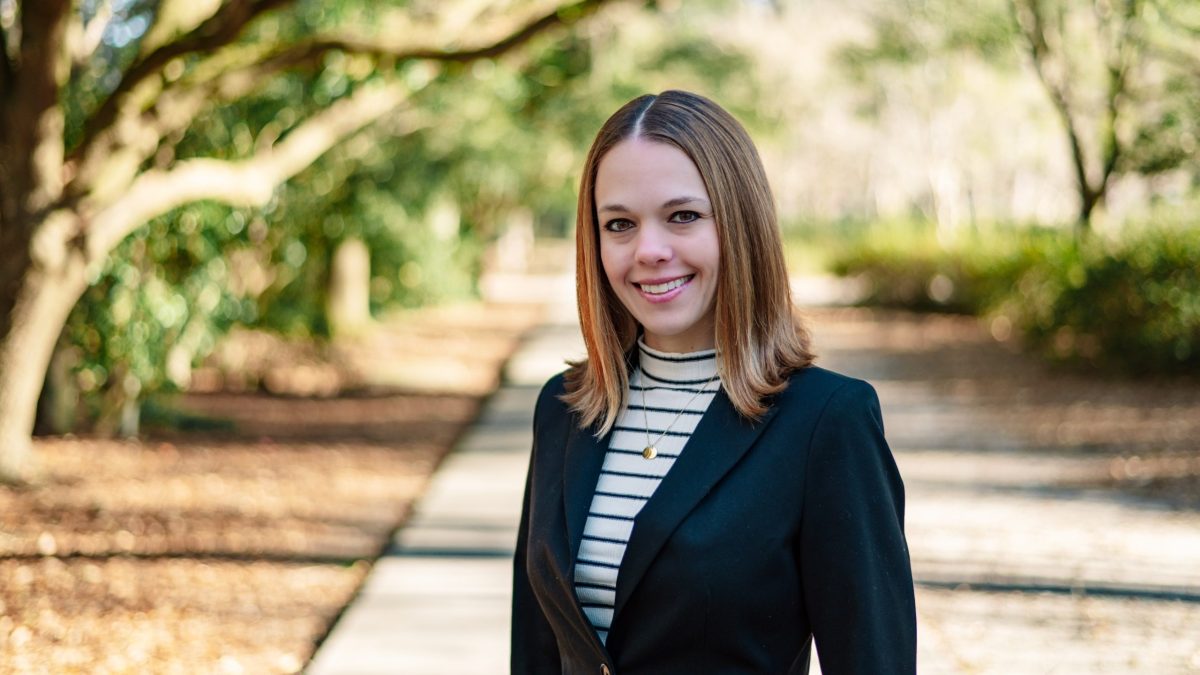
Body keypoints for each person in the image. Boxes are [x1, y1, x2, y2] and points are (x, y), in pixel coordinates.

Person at [511, 90, 916, 674]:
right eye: (619, 224)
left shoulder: (827, 422)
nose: (649, 250)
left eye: (683, 216)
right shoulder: (564, 407)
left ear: (741, 224)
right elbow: (536, 650)